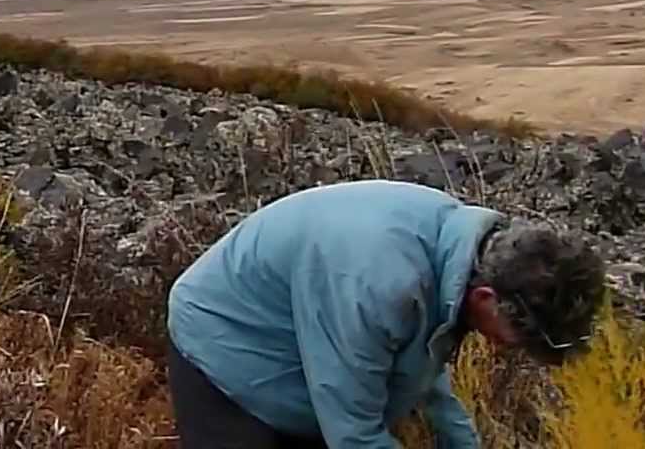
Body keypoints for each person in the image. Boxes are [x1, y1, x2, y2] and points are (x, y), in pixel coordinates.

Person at [165, 179, 607, 448]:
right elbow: (352, 433)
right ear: (486, 298)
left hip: (304, 340)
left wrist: (461, 440)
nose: (512, 349)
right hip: (225, 342)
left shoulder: (455, 251)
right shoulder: (379, 284)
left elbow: (422, 364)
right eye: (519, 338)